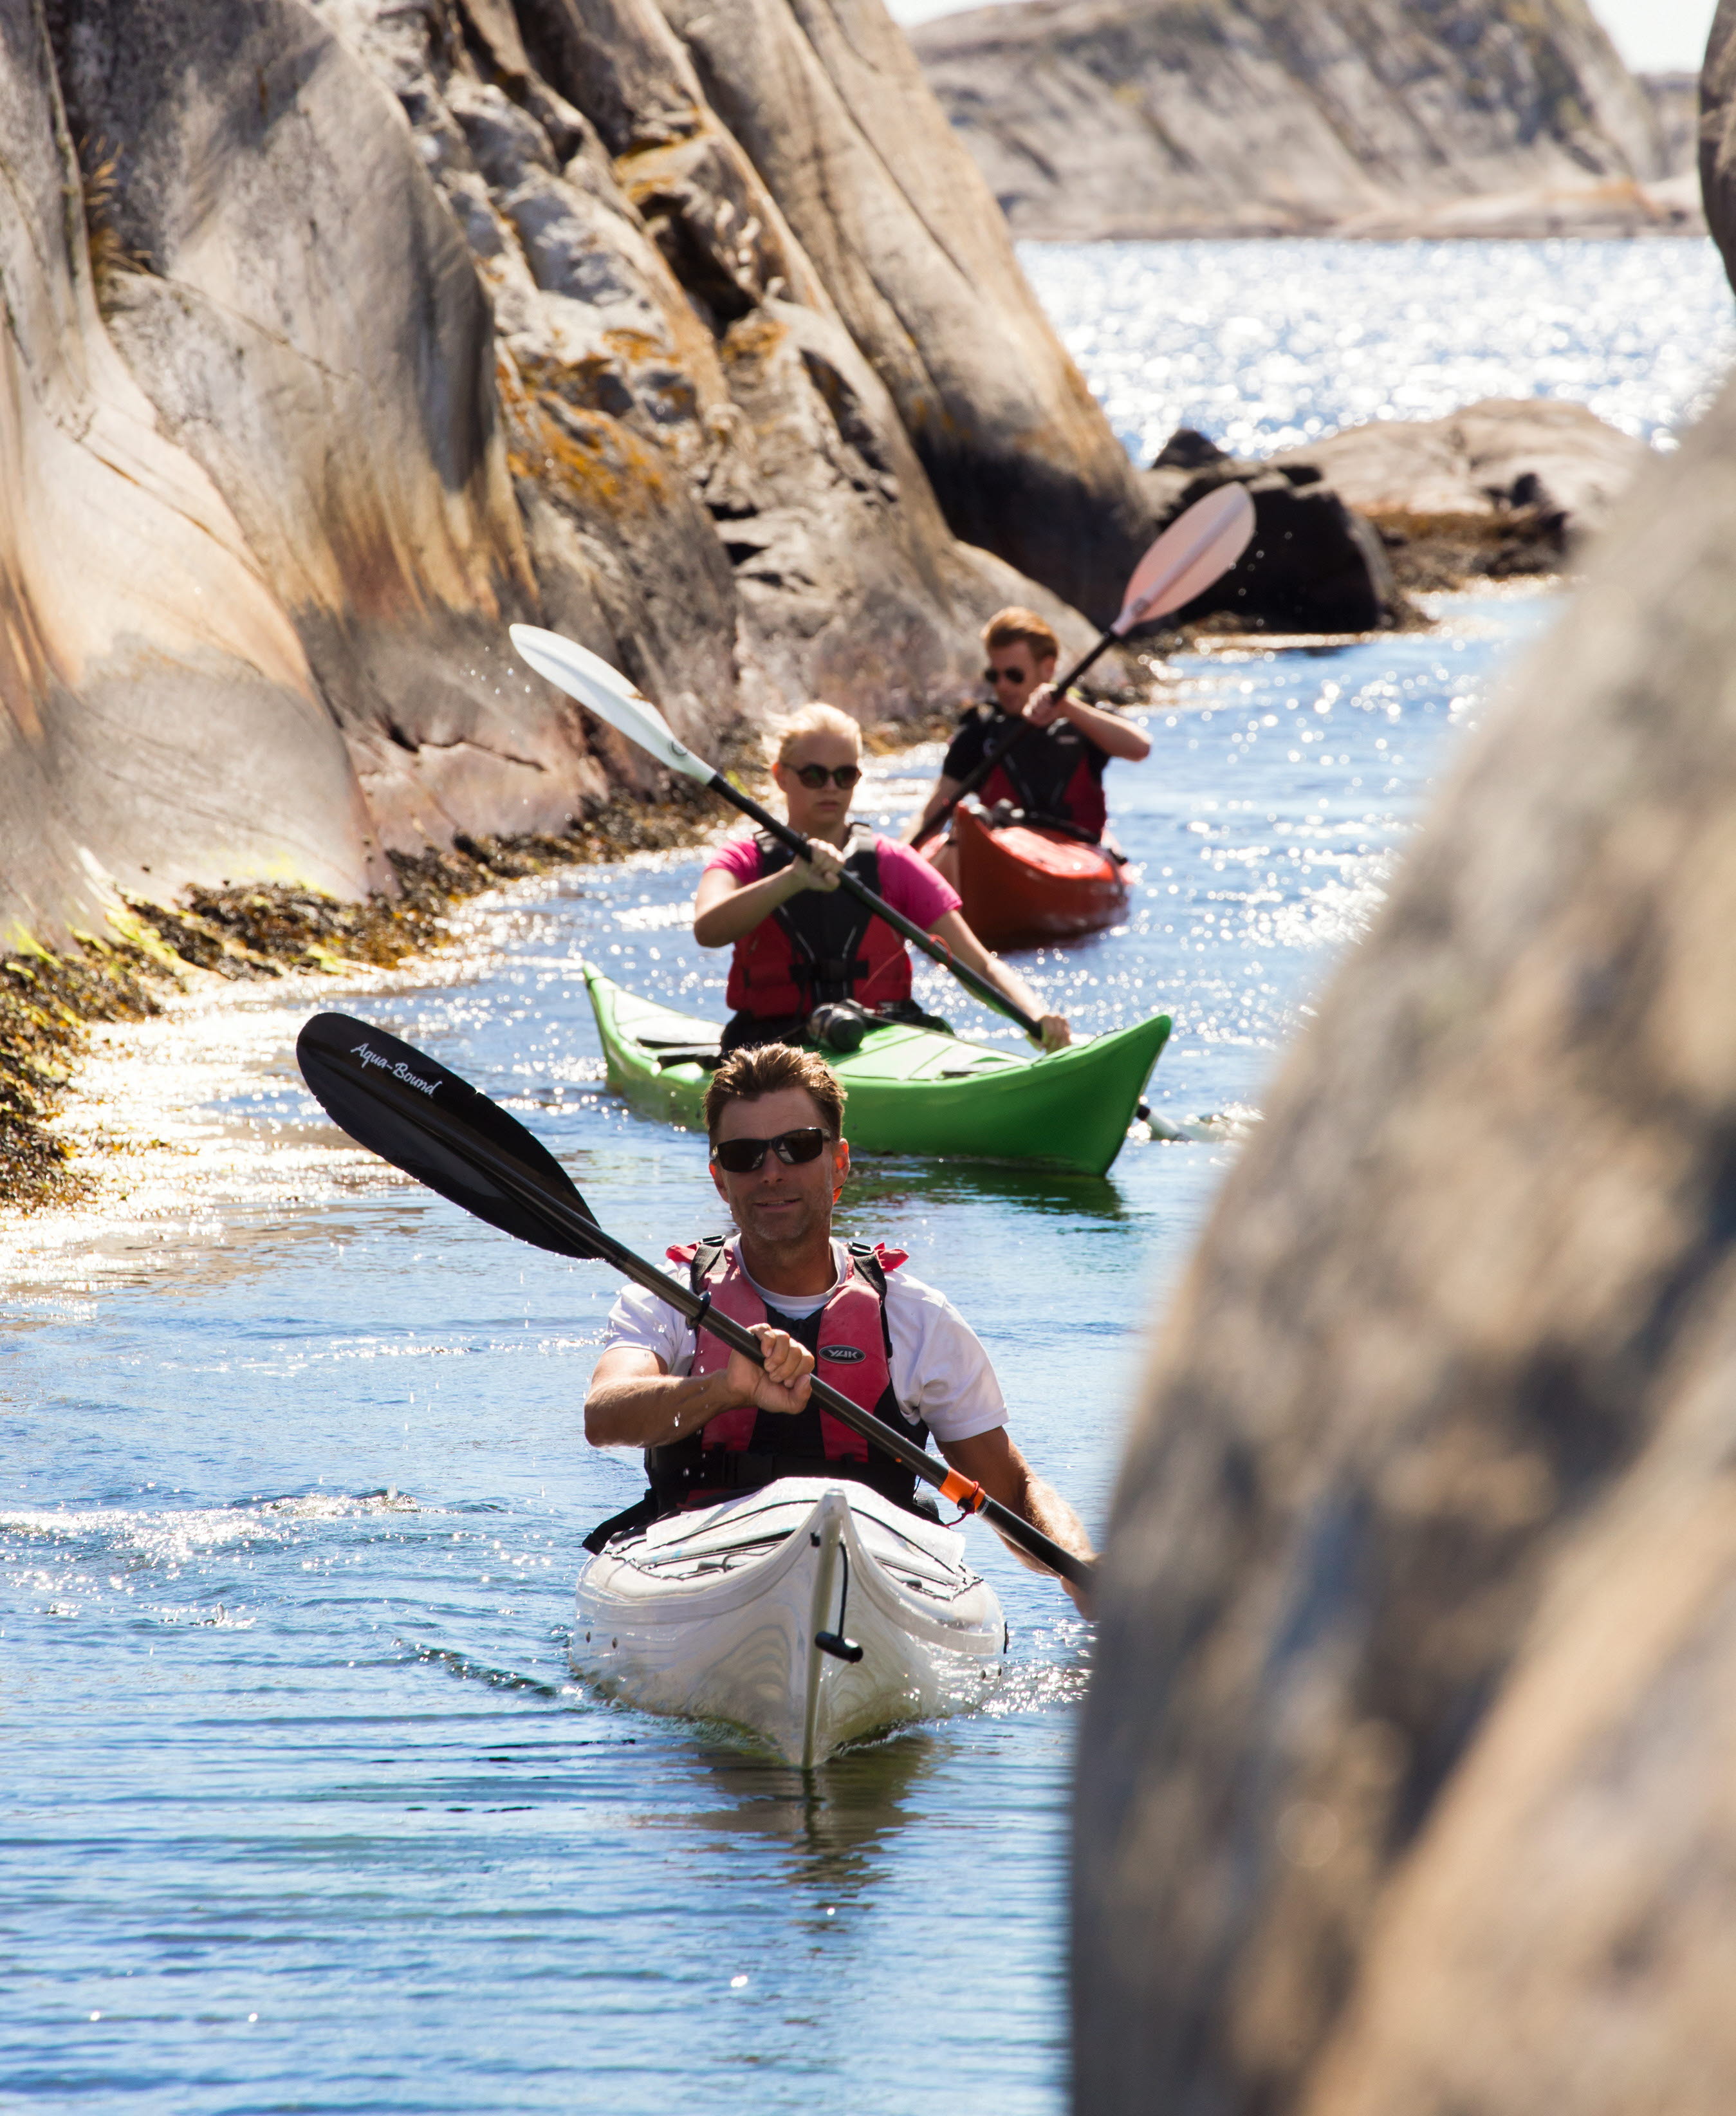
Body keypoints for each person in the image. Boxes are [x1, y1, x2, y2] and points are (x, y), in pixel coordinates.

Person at [582, 1042, 1093, 1608]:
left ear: (840, 1163)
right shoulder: (674, 1295)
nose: (772, 1172)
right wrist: (724, 1389)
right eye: (745, 1155)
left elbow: (1014, 1493)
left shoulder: (916, 1318)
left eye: (797, 1148)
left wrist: (1081, 1565)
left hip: (875, 1576)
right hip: (699, 1566)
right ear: (720, 1179)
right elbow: (605, 1415)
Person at [693, 700, 1071, 1053]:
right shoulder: (743, 859)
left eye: (845, 775)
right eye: (814, 775)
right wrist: (790, 879)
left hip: (880, 1037)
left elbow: (980, 964)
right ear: (781, 777)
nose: (831, 788)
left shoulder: (894, 863)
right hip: (773, 1046)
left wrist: (1035, 1016)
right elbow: (708, 929)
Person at [908, 607, 1150, 888]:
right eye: (993, 675)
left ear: (1047, 669)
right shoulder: (980, 731)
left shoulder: (1084, 719)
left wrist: (1068, 708)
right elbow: (933, 813)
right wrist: (893, 860)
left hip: (1076, 847)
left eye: (1014, 675)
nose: (1002, 686)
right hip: (1002, 845)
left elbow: (1140, 748)